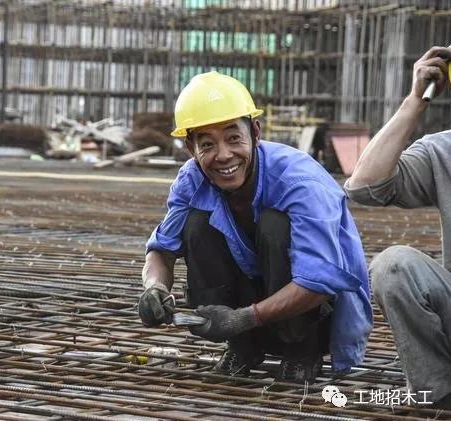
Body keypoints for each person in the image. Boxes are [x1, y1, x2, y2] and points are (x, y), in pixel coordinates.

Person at [138, 71, 372, 383]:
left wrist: (243, 318)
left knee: (275, 225)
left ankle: (302, 351)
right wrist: (155, 287)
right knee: (197, 223)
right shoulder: (191, 179)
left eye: (234, 138)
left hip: (316, 314)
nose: (223, 155)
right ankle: (242, 347)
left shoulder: (300, 181)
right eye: (207, 144)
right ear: (190, 147)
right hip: (250, 312)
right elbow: (162, 250)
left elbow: (318, 282)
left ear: (256, 133)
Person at [345, 46, 451, 409]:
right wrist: (414, 101)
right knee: (393, 266)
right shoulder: (443, 151)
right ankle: (438, 394)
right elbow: (365, 186)